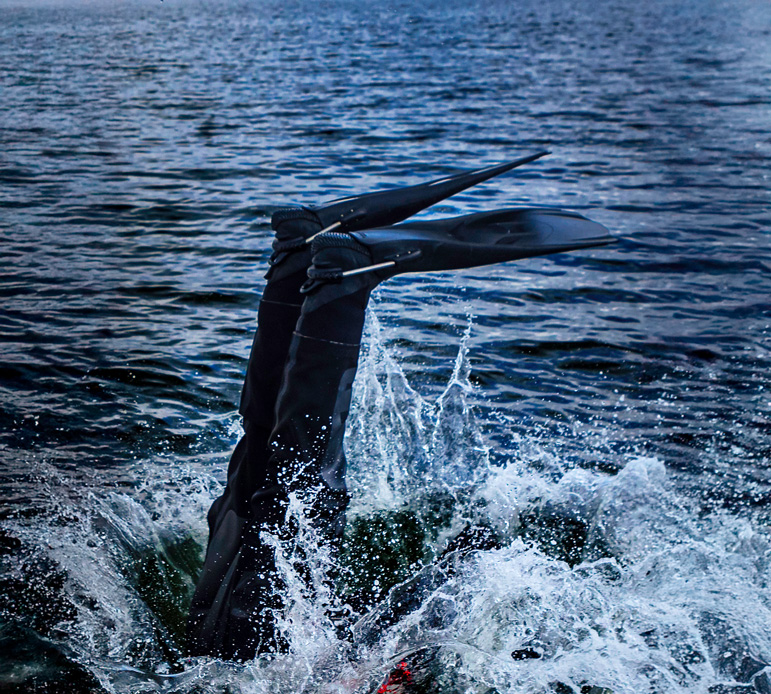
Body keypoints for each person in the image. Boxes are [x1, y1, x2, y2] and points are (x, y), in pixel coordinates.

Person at [186, 156, 613, 662]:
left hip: (253, 652)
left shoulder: (272, 684)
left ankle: (330, 275)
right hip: (211, 634)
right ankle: (298, 261)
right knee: (259, 462)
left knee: (293, 491)